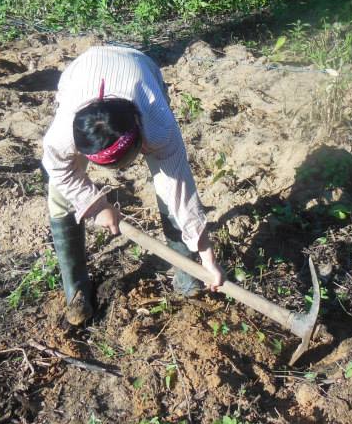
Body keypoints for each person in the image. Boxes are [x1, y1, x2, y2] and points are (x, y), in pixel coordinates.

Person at [41, 45, 224, 326]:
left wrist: (206, 253)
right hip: (81, 71)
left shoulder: (158, 125)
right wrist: (96, 205)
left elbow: (180, 190)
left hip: (140, 68)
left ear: (140, 138)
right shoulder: (63, 134)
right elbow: (58, 170)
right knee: (60, 196)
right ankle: (76, 290)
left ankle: (189, 279)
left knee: (168, 191)